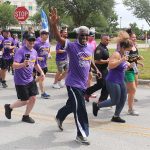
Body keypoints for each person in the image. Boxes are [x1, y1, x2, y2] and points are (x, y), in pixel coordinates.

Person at [49, 7, 101, 145]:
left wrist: (96, 69)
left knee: (72, 105)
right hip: (73, 83)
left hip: (83, 84)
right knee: (80, 108)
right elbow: (58, 38)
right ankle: (81, 134)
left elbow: (89, 60)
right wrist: (54, 25)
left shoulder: (89, 47)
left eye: (86, 35)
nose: (84, 37)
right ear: (77, 36)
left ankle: (59, 116)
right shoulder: (71, 46)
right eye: (82, 35)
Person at [92, 31, 133, 123]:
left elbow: (122, 66)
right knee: (114, 100)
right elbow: (110, 65)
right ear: (122, 47)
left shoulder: (123, 54)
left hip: (121, 79)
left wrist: (128, 64)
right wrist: (122, 60)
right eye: (128, 50)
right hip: (112, 80)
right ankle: (97, 106)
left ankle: (116, 116)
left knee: (123, 98)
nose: (129, 51)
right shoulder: (117, 54)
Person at [4, 33, 45, 123]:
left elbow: (35, 64)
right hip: (21, 81)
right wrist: (23, 64)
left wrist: (41, 72)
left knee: (33, 98)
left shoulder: (34, 51)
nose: (31, 42)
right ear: (25, 40)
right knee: (25, 101)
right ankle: (9, 107)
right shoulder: (21, 51)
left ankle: (26, 116)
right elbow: (14, 65)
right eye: (29, 40)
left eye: (33, 40)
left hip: (30, 79)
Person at [85, 35, 110, 102]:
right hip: (100, 70)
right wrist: (107, 61)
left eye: (108, 40)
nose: (108, 41)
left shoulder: (104, 47)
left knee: (106, 84)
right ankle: (87, 92)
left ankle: (102, 99)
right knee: (101, 85)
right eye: (106, 40)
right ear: (102, 40)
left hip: (105, 69)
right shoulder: (99, 49)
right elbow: (97, 61)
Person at [125, 29, 144, 116]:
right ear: (129, 38)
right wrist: (128, 64)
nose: (134, 38)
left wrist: (139, 61)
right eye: (133, 37)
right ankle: (130, 109)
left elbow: (134, 57)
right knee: (133, 89)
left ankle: (126, 95)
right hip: (128, 70)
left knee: (135, 85)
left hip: (134, 68)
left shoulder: (135, 47)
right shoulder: (127, 47)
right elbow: (125, 59)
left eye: (135, 37)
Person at [33, 29, 51, 99]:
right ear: (41, 35)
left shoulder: (47, 43)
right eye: (45, 34)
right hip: (38, 64)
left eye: (47, 34)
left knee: (41, 77)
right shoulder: (37, 44)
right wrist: (37, 58)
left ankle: (31, 84)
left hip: (45, 63)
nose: (47, 36)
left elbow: (48, 51)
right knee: (42, 78)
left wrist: (49, 54)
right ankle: (43, 93)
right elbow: (31, 53)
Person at [87, 28, 97, 97]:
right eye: (91, 36)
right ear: (88, 36)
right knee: (89, 76)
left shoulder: (94, 42)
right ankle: (88, 91)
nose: (93, 37)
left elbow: (93, 52)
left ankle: (88, 91)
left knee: (90, 76)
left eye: (93, 36)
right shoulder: (85, 42)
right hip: (85, 61)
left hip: (91, 61)